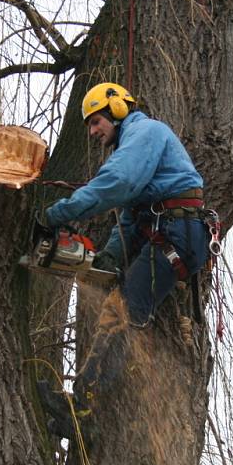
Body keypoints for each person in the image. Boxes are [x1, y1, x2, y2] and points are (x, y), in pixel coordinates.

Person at [38, 82, 211, 439]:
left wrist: (55, 215)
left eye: (96, 120)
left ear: (117, 109)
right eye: (89, 125)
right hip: (168, 233)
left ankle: (83, 408)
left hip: (179, 234)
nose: (93, 131)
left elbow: (117, 183)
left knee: (121, 311)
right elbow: (129, 220)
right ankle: (83, 410)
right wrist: (109, 259)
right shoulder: (134, 147)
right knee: (119, 310)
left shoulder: (146, 132)